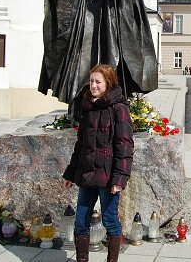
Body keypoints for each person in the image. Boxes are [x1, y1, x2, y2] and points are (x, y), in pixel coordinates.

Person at [62, 64, 134, 262]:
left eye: (98, 82)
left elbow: (125, 146)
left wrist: (119, 178)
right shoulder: (88, 107)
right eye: (91, 81)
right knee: (80, 222)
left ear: (108, 83)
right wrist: (70, 173)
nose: (93, 85)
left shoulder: (119, 108)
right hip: (87, 174)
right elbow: (81, 144)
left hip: (108, 176)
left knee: (110, 221)